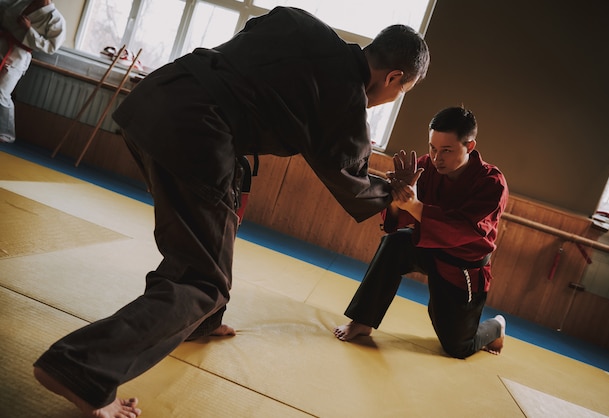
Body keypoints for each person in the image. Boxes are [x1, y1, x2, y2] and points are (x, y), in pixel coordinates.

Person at [33, 6, 430, 417]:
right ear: (394, 77)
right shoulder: (345, 98)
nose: (389, 99)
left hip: (155, 97)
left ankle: (201, 322)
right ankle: (82, 365)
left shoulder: (299, 21)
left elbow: (251, 46)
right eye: (400, 92)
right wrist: (395, 192)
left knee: (207, 234)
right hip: (197, 133)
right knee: (204, 281)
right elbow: (347, 174)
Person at [334, 106, 509, 360]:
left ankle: (496, 327)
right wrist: (397, 197)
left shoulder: (492, 183)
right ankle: (363, 321)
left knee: (456, 347)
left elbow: (463, 229)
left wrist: (415, 205)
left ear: (470, 146)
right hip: (426, 247)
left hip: (461, 266)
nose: (437, 158)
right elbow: (396, 221)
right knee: (395, 243)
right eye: (432, 148)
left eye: (447, 150)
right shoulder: (426, 168)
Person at [0, 0, 65, 143]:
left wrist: (29, 30)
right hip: (2, 43)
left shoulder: (56, 19)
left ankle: (5, 132)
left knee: (2, 92)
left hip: (18, 55)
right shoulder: (20, 2)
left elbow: (51, 47)